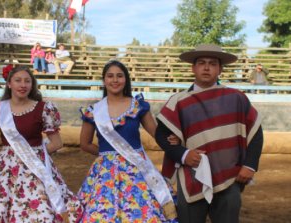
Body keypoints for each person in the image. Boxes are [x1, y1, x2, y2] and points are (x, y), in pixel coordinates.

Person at [155, 44, 264, 223]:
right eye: (202, 63)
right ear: (193, 68)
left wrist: (250, 165)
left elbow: (255, 131)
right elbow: (161, 135)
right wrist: (183, 154)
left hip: (229, 177)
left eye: (213, 63)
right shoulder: (178, 101)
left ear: (220, 68)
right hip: (191, 176)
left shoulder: (236, 98)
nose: (206, 67)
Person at [0, 66, 83, 222]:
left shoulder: (44, 108)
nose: (23, 85)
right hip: (5, 170)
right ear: (9, 84)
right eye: (18, 80)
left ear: (32, 85)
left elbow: (57, 143)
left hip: (36, 168)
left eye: (27, 81)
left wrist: (34, 155)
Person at [77, 60, 179, 222]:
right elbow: (85, 144)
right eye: (110, 76)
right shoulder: (93, 111)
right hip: (106, 171)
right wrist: (108, 155)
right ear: (104, 80)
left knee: (145, 212)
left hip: (138, 167)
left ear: (126, 80)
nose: (115, 80)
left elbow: (154, 132)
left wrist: (170, 139)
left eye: (119, 76)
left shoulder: (138, 105)